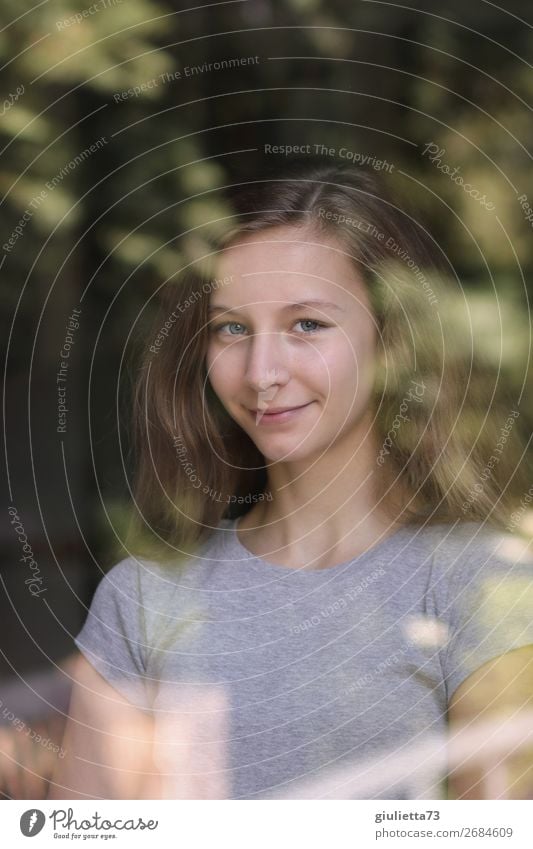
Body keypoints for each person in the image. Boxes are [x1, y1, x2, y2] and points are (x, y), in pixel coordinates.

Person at [50, 159, 533, 800]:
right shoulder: (142, 600)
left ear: (389, 339)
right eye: (232, 329)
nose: (260, 372)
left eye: (307, 323)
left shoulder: (485, 584)